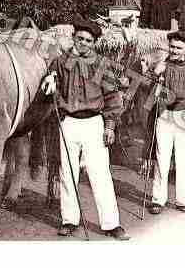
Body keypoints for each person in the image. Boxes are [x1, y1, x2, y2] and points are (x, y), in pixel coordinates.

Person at [41, 17, 129, 240]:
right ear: (73, 38)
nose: (83, 43)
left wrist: (110, 126)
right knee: (68, 172)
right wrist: (50, 83)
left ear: (94, 43)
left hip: (94, 123)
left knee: (100, 173)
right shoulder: (60, 62)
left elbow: (113, 97)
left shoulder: (101, 65)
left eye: (88, 41)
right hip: (68, 122)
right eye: (79, 39)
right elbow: (52, 85)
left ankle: (111, 223)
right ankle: (69, 220)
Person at [148, 31, 185, 214]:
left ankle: (182, 199)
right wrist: (154, 74)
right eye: (172, 46)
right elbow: (148, 94)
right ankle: (158, 199)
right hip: (165, 116)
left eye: (178, 47)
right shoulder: (162, 66)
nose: (174, 50)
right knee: (161, 158)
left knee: (183, 159)